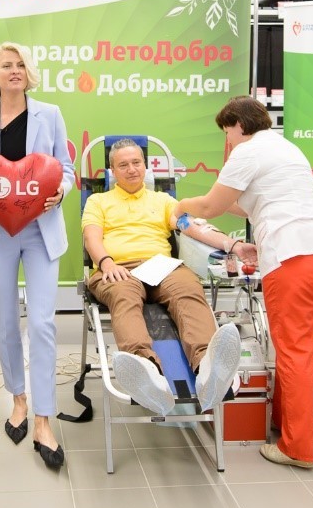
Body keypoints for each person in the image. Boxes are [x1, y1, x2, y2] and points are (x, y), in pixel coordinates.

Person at [178, 96, 313, 469]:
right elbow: (247, 203)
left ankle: (297, 448)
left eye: (227, 132)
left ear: (237, 125)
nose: (228, 141)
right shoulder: (287, 148)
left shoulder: (247, 151)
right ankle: (282, 423)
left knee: (293, 350)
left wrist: (179, 205)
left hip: (294, 255)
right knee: (301, 345)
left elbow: (211, 208)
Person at [0, 42, 74, 470]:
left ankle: (44, 418)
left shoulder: (50, 113)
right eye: (6, 65)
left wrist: (59, 191)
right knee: (6, 319)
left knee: (42, 323)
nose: (14, 70)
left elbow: (65, 168)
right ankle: (19, 398)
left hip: (40, 230)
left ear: (30, 72)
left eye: (21, 64)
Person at [82, 139, 243, 415]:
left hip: (161, 266)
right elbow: (91, 236)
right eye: (123, 165)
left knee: (188, 288)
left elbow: (191, 227)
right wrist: (106, 262)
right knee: (124, 295)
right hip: (118, 267)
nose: (132, 169)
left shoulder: (163, 200)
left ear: (145, 166)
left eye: (136, 163)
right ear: (112, 171)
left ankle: (208, 368)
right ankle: (145, 370)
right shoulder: (99, 201)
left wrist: (232, 245)